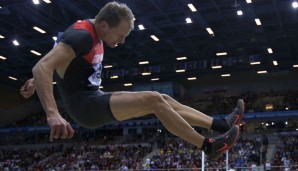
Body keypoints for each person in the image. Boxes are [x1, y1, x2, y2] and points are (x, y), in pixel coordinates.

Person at [20, 2, 245, 160]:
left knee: (162, 98)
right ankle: (208, 146)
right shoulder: (83, 36)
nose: (123, 41)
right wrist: (52, 113)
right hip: (85, 107)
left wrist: (34, 81)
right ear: (105, 24)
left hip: (94, 96)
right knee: (154, 101)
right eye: (121, 34)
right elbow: (43, 66)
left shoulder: (89, 28)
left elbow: (56, 53)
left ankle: (220, 125)